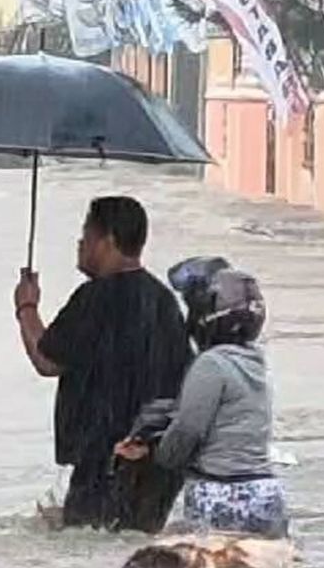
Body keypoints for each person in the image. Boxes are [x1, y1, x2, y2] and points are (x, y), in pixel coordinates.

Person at [13, 197, 192, 532]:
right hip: (158, 462)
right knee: (135, 559)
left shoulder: (94, 298)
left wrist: (27, 307)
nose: (80, 245)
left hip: (103, 460)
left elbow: (47, 360)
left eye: (86, 235)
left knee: (84, 560)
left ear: (107, 240)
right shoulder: (164, 301)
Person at [113, 259, 288, 538]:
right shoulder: (255, 364)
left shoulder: (210, 364)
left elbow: (187, 431)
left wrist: (156, 453)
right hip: (266, 495)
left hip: (220, 494)